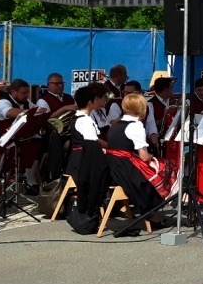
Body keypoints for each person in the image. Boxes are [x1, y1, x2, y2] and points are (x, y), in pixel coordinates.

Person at [104, 93, 173, 230]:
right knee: (165, 169)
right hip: (126, 169)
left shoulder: (115, 125)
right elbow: (144, 156)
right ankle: (152, 213)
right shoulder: (136, 126)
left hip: (114, 167)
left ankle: (148, 212)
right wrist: (153, 157)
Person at [64, 84, 109, 231]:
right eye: (100, 98)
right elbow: (92, 145)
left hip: (78, 160)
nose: (104, 100)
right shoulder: (85, 120)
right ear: (91, 102)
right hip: (84, 163)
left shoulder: (80, 117)